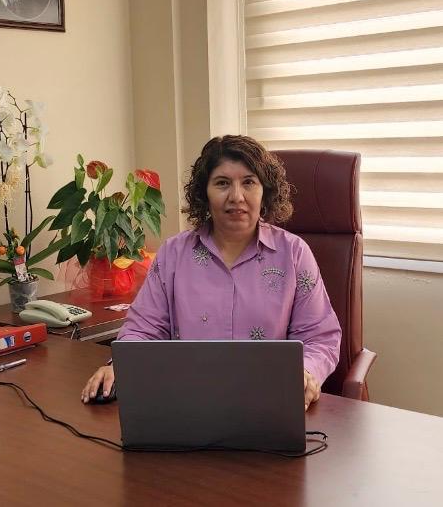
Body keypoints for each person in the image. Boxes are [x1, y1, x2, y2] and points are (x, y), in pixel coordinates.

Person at [81, 135, 342, 411]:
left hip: (270, 401)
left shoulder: (294, 253)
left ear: (265, 191)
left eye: (249, 182)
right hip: (187, 402)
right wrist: (121, 365)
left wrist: (305, 372)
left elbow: (319, 336)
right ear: (204, 193)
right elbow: (143, 328)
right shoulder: (173, 254)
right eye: (222, 183)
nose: (236, 197)